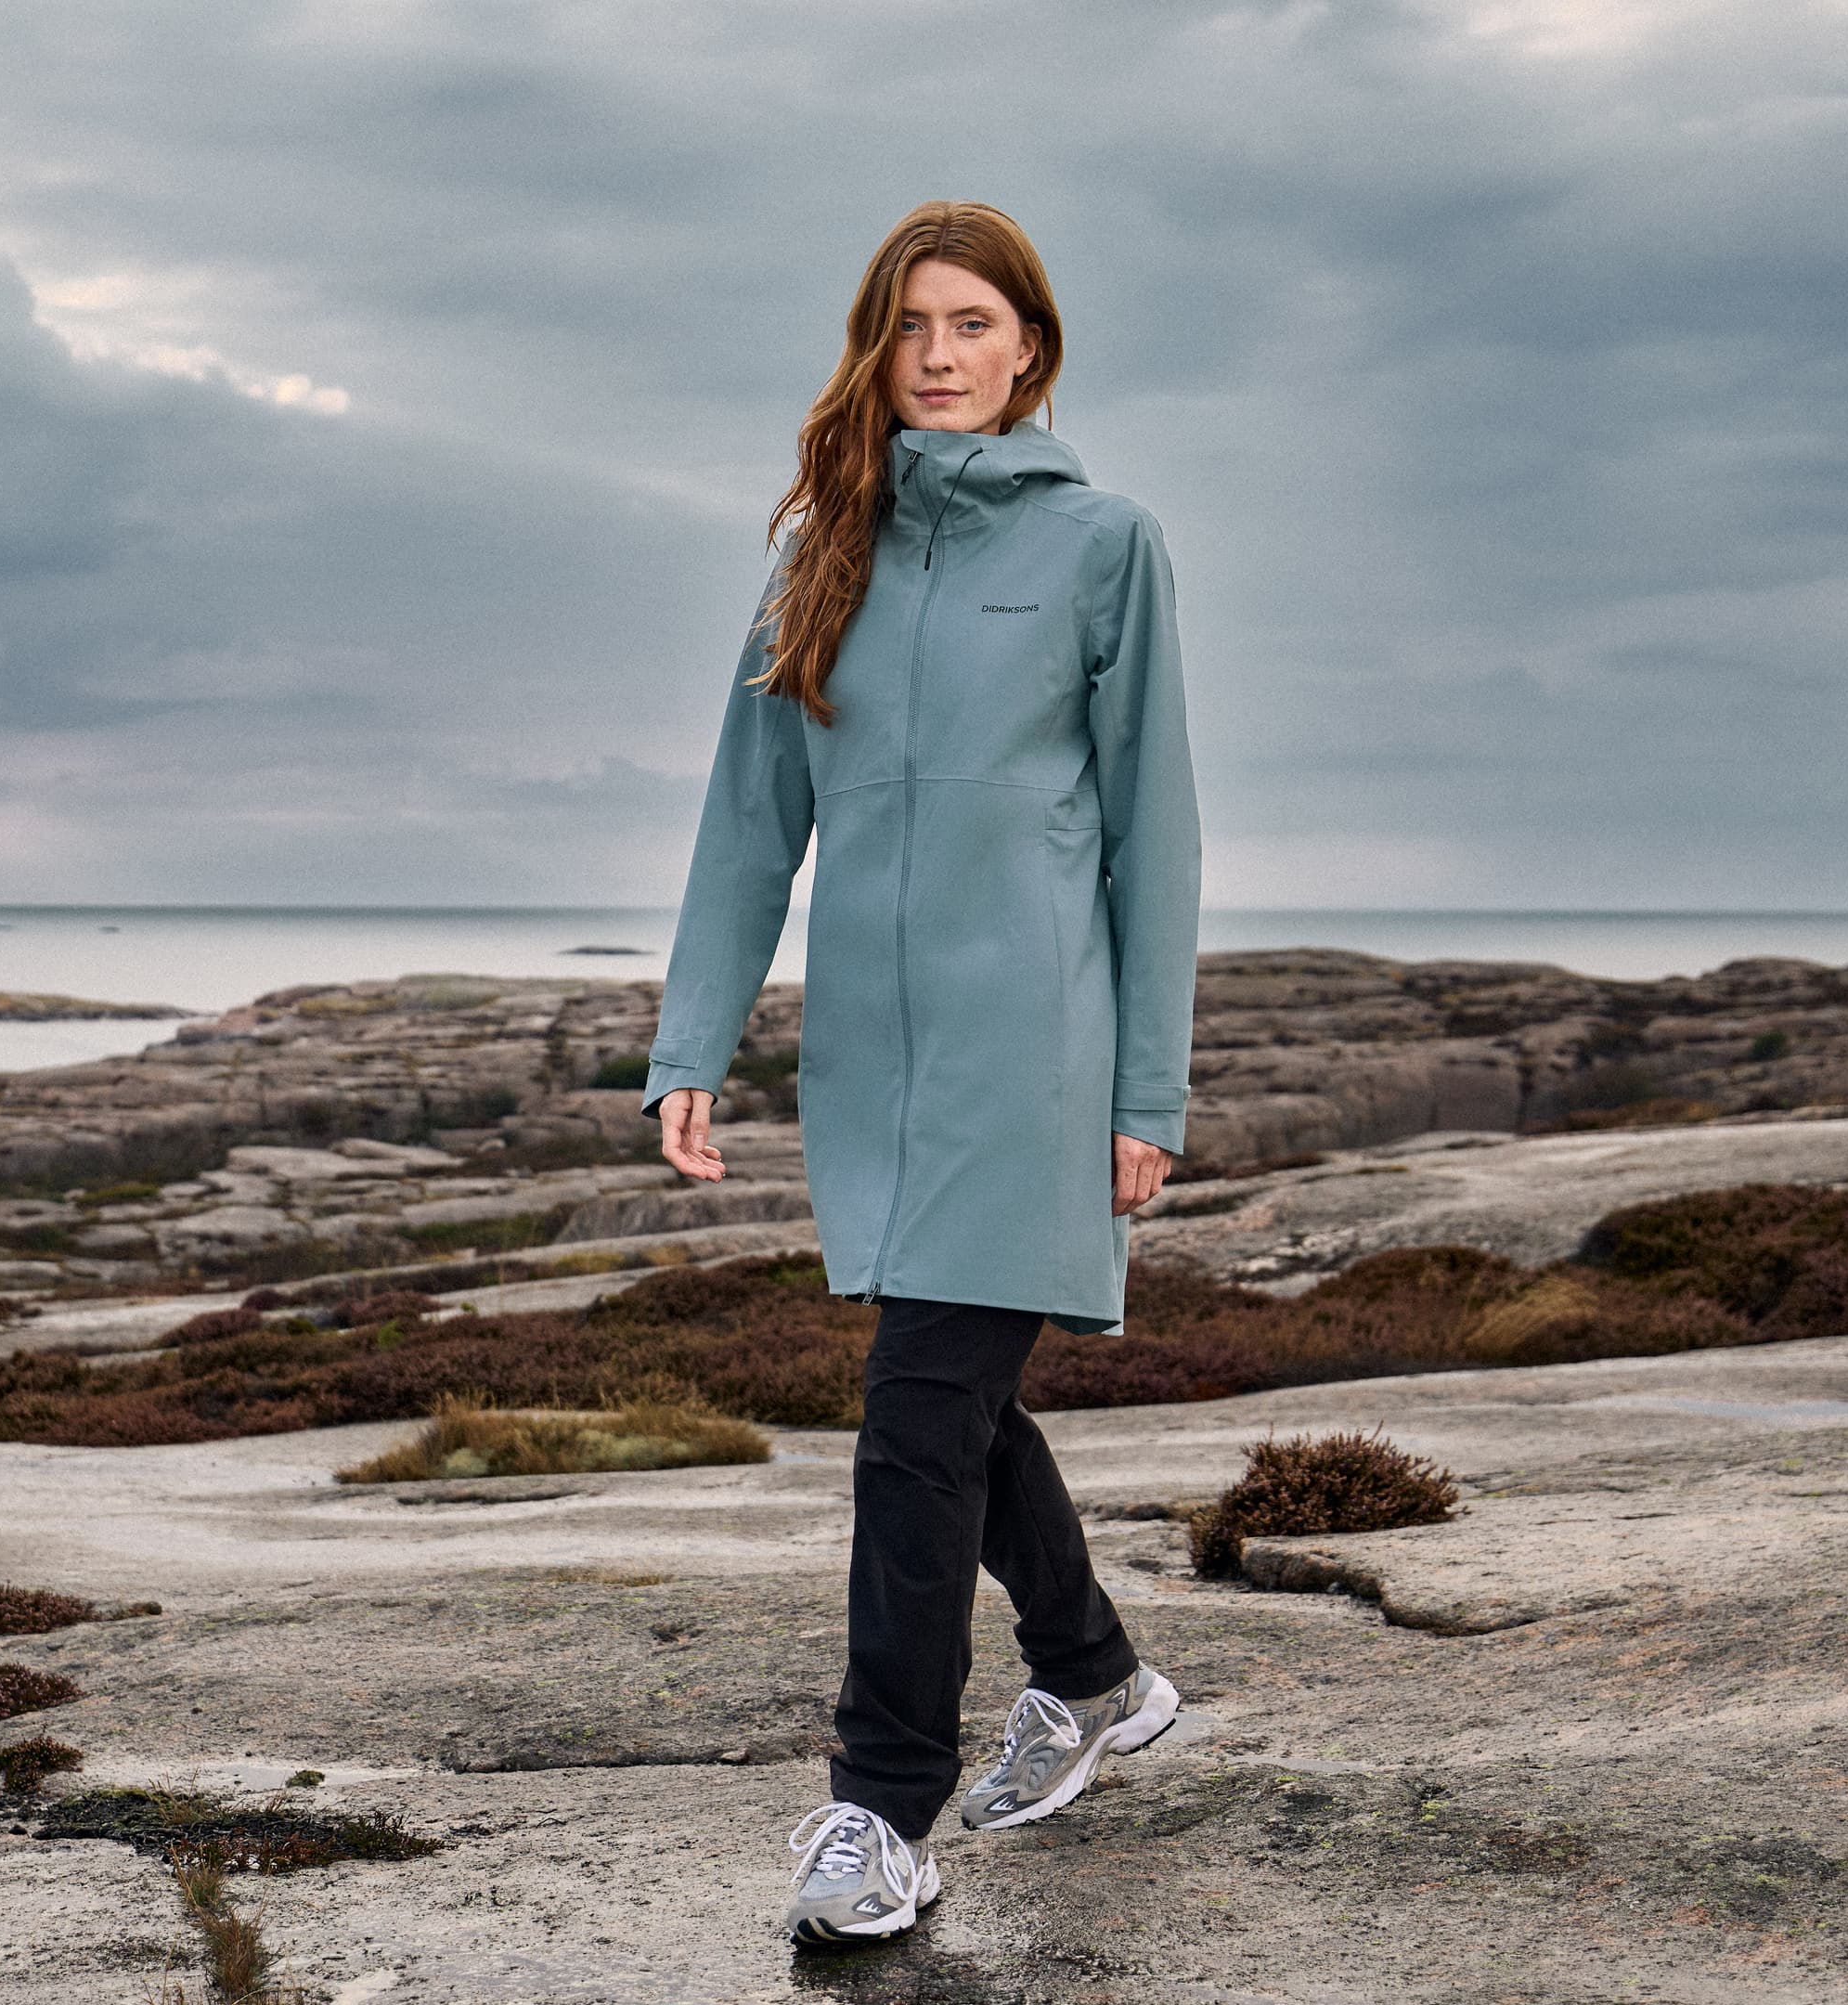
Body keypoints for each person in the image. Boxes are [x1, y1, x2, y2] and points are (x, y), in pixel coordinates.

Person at [640, 199, 1202, 1947]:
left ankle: (878, 1812)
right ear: (876, 353)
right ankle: (1095, 1680)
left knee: (909, 1421)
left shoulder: (1107, 545)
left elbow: (1153, 841)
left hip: (1037, 1057)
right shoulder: (823, 554)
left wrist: (1149, 1094)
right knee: (953, 1408)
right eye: (910, 329)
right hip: (874, 1068)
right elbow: (751, 831)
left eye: (973, 324)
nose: (941, 356)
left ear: (1030, 346)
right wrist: (693, 1040)